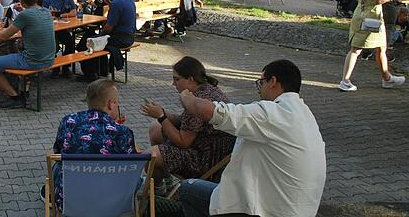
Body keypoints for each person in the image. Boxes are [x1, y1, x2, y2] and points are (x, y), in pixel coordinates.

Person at [177, 60, 326, 217]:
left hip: (271, 211)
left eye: (261, 83)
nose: (259, 90)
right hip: (300, 209)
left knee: (188, 188)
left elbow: (208, 111)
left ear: (273, 81)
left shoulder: (273, 113)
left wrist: (186, 97)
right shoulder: (304, 114)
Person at [140, 57, 233, 187]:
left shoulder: (197, 101)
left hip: (205, 160)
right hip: (207, 146)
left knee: (149, 156)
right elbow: (191, 125)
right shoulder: (206, 89)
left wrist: (161, 116)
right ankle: (164, 178)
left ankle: (157, 188)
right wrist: (165, 114)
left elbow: (183, 142)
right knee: (156, 128)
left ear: (190, 79)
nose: (173, 84)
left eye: (176, 79)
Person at [48, 78, 136, 212]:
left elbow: (58, 151)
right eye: (117, 102)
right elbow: (131, 168)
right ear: (111, 104)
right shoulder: (122, 132)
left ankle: (48, 193)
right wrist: (116, 126)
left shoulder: (68, 121)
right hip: (112, 203)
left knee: (58, 165)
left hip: (69, 200)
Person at [0, 0, 55, 109]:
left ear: (21, 1)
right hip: (49, 58)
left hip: (32, 60)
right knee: (13, 53)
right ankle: (22, 90)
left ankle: (15, 97)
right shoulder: (46, 12)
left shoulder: (25, 15)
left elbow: (4, 35)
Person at [339, 0, 406, 91]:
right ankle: (345, 80)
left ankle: (386, 77)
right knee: (363, 49)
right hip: (373, 16)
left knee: (373, 47)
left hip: (360, 12)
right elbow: (378, 0)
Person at [77, 0, 135, 82]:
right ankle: (102, 70)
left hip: (119, 39)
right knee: (96, 39)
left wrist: (101, 34)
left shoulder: (117, 3)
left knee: (87, 42)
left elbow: (109, 27)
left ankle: (90, 73)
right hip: (129, 37)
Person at [43, 0, 77, 77]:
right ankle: (55, 68)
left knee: (70, 42)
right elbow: (44, 14)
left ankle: (66, 67)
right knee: (55, 46)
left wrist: (60, 15)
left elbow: (74, 11)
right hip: (50, 30)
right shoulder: (48, 0)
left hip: (62, 28)